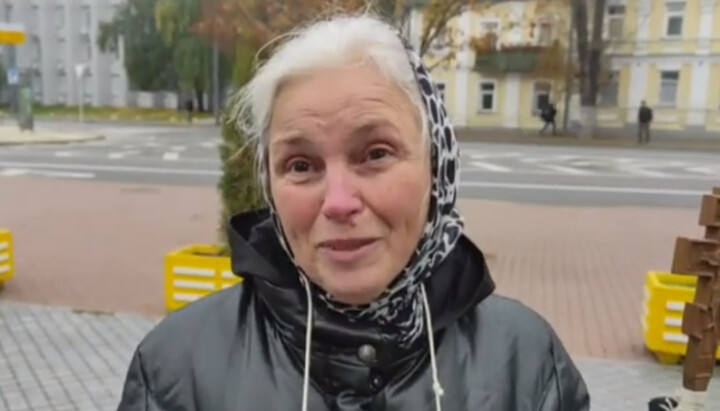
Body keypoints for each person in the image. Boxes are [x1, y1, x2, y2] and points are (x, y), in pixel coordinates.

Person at [116, 13, 590, 411]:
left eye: (376, 153)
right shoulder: (176, 371)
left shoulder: (525, 364)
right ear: (270, 184)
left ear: (437, 168)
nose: (339, 202)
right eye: (301, 165)